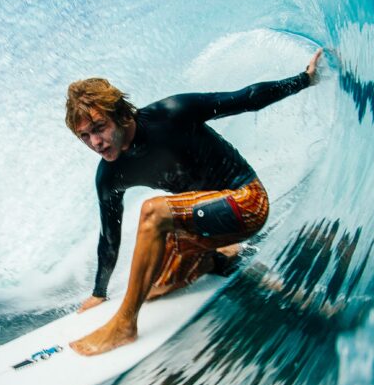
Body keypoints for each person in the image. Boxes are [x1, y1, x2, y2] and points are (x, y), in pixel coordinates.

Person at [65, 48, 323, 356]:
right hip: (203, 228)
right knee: (153, 289)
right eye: (85, 136)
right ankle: (221, 262)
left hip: (246, 202)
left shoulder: (172, 113)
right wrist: (99, 292)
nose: (95, 142)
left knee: (153, 212)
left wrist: (304, 80)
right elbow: (109, 236)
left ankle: (124, 325)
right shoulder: (109, 174)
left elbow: (246, 98)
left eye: (99, 128)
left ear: (121, 115)